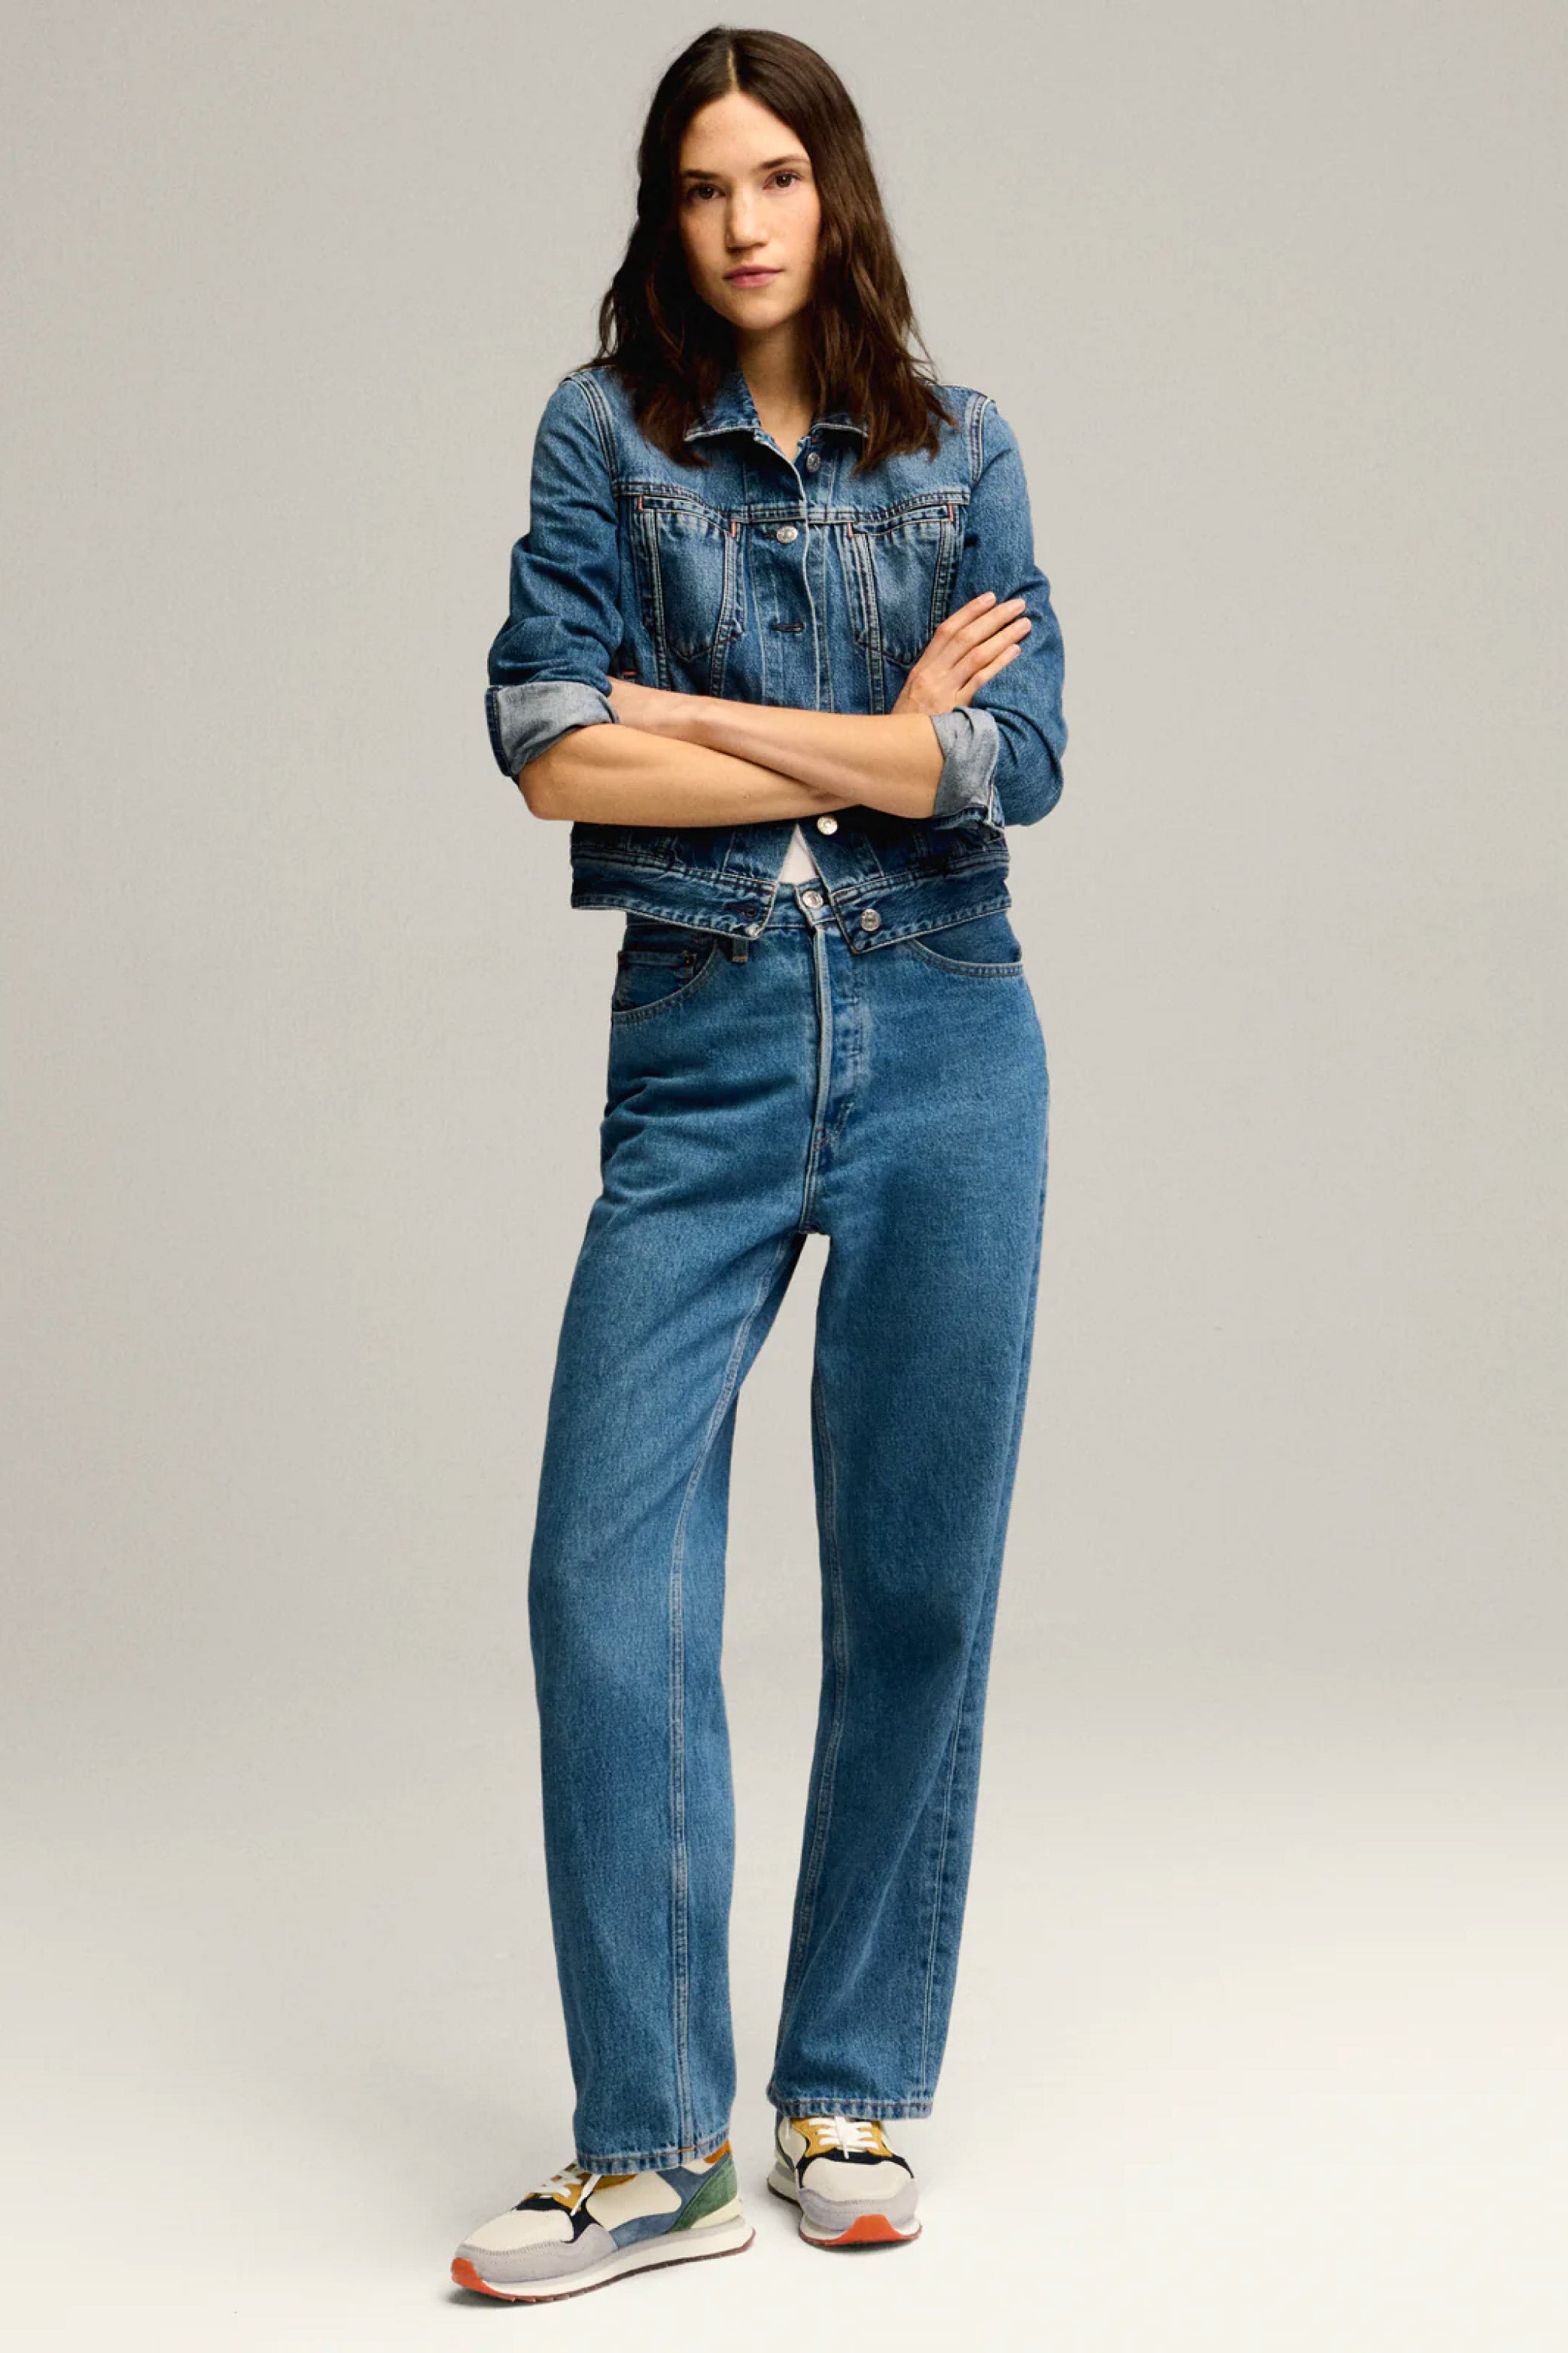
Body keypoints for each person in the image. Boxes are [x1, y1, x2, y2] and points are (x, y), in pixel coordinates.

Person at [451, 23, 1067, 2304]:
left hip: (948, 1038)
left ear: (835, 194)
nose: (741, 222)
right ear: (666, 209)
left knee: (914, 1584)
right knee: (600, 1578)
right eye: (702, 184)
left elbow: (1011, 763)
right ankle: (650, 2150)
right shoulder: (599, 433)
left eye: (776, 178)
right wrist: (864, 740)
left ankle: (848, 2089)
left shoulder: (962, 447)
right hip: (702, 1048)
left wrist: (694, 715)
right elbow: (546, 744)